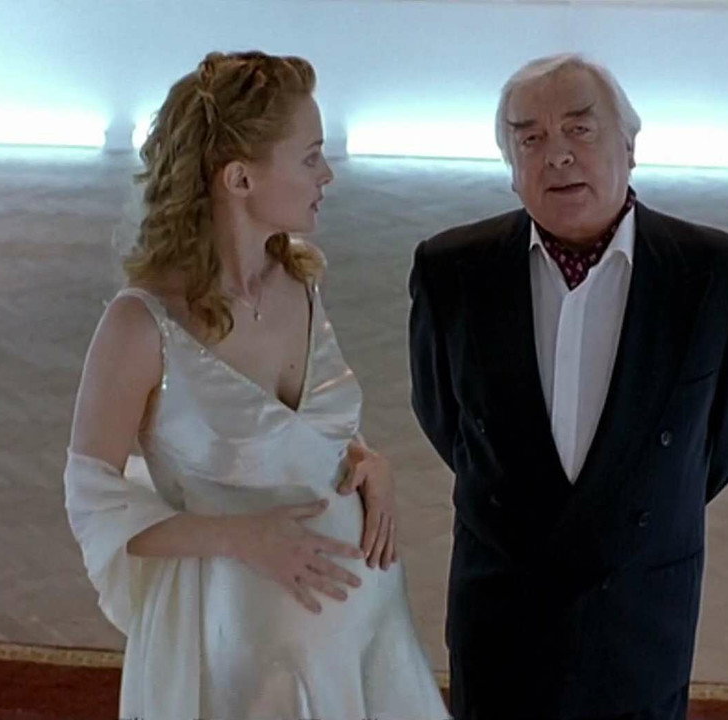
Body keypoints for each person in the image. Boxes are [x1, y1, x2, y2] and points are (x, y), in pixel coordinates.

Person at [64, 50, 448, 720]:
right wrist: (239, 537)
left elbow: (305, 437)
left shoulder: (298, 281)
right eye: (310, 157)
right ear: (239, 178)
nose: (328, 174)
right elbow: (93, 502)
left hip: (367, 647)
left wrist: (371, 462)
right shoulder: (140, 327)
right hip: (243, 666)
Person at [409, 54, 728, 720]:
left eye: (580, 129)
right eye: (530, 138)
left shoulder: (719, 276)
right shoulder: (451, 271)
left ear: (630, 145)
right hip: (500, 616)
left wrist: (633, 500)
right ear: (510, 164)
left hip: (641, 613)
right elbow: (445, 419)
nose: (557, 155)